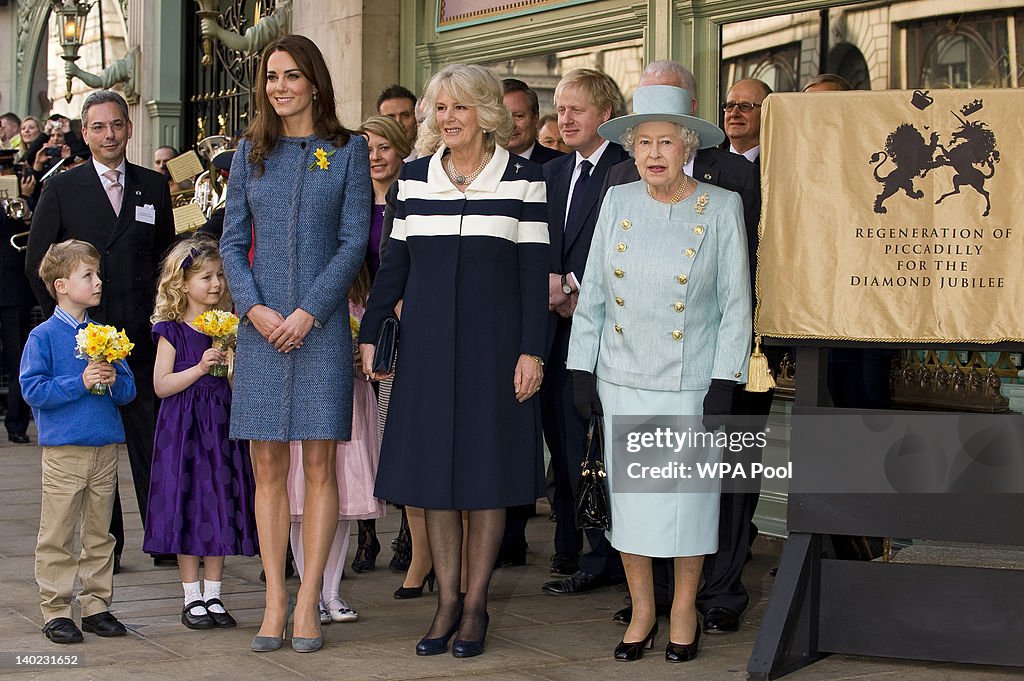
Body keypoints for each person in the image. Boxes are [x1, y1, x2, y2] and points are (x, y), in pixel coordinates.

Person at [358, 62, 548, 658]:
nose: (448, 119)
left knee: (486, 479)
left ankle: (474, 607)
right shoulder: (413, 179)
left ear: (486, 113)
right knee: (433, 481)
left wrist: (531, 352)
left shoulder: (523, 180)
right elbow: (394, 266)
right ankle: (444, 603)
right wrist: (372, 332)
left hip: (498, 350)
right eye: (440, 109)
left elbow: (533, 276)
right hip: (427, 348)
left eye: (460, 108)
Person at [568, 84, 751, 662]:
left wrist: (725, 380)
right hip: (620, 376)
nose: (653, 153)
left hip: (690, 382)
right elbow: (593, 291)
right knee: (633, 507)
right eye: (642, 142)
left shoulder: (720, 208)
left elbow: (735, 303)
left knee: (686, 506)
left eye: (665, 142)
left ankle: (683, 608)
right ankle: (642, 608)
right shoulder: (618, 201)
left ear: (687, 146)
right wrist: (581, 368)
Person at [219, 34, 370, 654]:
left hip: (321, 328)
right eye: (270, 77)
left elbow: (354, 240)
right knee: (267, 466)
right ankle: (275, 599)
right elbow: (230, 241)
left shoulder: (348, 150)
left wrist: (309, 311)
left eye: (290, 75)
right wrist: (253, 308)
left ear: (314, 81)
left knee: (320, 463)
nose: (278, 87)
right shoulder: (249, 153)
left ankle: (309, 601)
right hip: (259, 331)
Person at [26, 90, 176, 572]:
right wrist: (68, 325)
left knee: (152, 438)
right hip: (86, 344)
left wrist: (165, 321)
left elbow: (168, 259)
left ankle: (164, 536)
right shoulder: (62, 189)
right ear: (84, 133)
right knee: (95, 445)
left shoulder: (153, 186)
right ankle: (105, 543)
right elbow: (39, 265)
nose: (109, 135)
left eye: (117, 125)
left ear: (130, 128)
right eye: (97, 127)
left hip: (144, 336)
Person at [540, 68, 630, 594]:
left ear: (606, 116)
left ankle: (608, 558)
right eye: (561, 108)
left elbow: (618, 243)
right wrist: (546, 284)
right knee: (564, 445)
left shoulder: (625, 169)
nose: (565, 118)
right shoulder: (552, 173)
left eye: (577, 109)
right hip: (553, 333)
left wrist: (571, 282)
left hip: (605, 333)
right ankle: (578, 545)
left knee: (597, 445)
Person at [20, 239, 137, 644]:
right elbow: (33, 391)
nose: (98, 281)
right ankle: (55, 609)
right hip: (64, 449)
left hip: (105, 447)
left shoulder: (105, 334)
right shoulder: (43, 336)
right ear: (62, 285)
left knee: (100, 532)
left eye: (98, 274)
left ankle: (96, 605)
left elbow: (128, 391)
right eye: (88, 275)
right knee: (58, 530)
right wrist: (80, 382)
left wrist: (112, 380)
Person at [143, 237, 258, 630]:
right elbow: (161, 385)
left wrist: (228, 367)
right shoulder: (170, 331)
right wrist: (199, 366)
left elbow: (235, 386)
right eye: (206, 276)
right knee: (187, 502)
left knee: (218, 501)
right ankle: (191, 595)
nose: (216, 284)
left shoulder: (227, 327)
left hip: (219, 425)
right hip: (183, 427)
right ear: (182, 283)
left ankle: (215, 593)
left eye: (220, 276)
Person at [287, 264, 385, 624]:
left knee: (341, 500)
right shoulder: (295, 282)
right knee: (299, 499)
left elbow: (377, 343)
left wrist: (364, 356)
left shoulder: (360, 293)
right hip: (304, 397)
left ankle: (331, 592)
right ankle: (307, 592)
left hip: (350, 400)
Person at [1, 150, 35, 444]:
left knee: (17, 361)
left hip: (13, 290)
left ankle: (16, 425)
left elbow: (30, 229)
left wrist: (24, 199)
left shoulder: (22, 200)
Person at [502, 79, 563, 164]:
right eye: (502, 117)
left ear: (535, 119)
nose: (510, 125)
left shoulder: (562, 165)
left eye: (518, 116)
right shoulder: (479, 165)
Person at [723, 79, 772, 163]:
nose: (734, 114)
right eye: (730, 106)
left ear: (766, 113)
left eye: (745, 106)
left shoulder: (779, 166)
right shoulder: (706, 166)